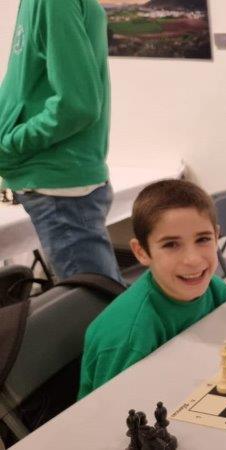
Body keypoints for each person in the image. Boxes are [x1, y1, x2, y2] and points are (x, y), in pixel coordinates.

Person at [0, 0, 122, 283]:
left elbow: (77, 105)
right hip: (57, 177)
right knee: (96, 294)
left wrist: (10, 143)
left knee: (94, 300)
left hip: (57, 180)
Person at [78, 180, 226, 398]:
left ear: (216, 237)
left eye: (203, 239)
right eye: (171, 244)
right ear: (141, 252)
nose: (192, 259)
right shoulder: (129, 338)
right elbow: (114, 411)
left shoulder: (215, 289)